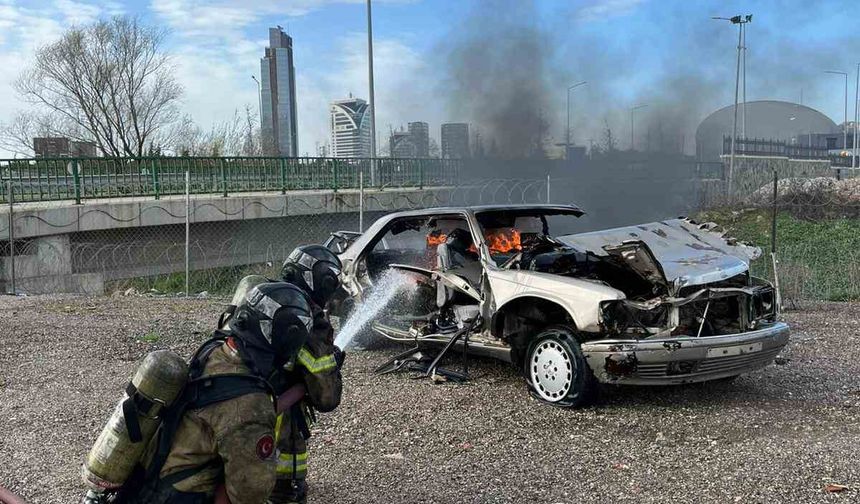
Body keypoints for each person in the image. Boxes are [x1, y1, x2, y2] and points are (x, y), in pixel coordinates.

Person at [85, 282, 315, 504]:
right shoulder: (250, 405)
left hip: (142, 487)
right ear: (288, 339)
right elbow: (250, 494)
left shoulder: (214, 351)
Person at [270, 245, 345, 504]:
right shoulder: (306, 322)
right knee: (285, 482)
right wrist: (332, 363)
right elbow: (327, 398)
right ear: (320, 282)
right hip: (276, 424)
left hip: (238, 412)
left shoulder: (265, 299)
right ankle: (285, 490)